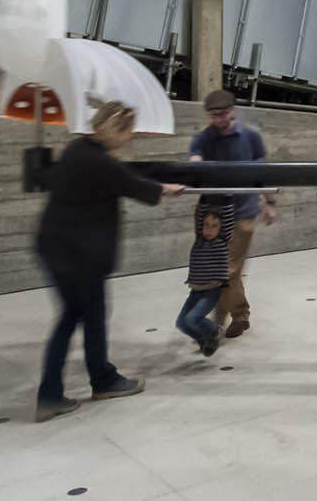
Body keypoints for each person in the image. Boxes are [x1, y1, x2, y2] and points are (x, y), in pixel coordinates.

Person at [34, 97, 185, 422]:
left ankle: (55, 393)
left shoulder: (79, 151)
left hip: (57, 249)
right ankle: (99, 381)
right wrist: (167, 189)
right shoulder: (98, 162)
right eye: (128, 131)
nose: (130, 138)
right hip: (78, 255)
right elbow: (133, 185)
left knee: (73, 317)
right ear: (115, 128)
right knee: (90, 317)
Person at [187, 90, 274, 338]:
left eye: (223, 114)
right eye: (214, 115)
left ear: (232, 111)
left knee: (227, 271)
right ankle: (241, 314)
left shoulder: (250, 138)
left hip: (243, 213)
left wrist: (270, 203)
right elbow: (195, 159)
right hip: (211, 216)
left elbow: (263, 172)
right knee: (221, 270)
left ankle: (216, 323)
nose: (219, 120)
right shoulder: (204, 138)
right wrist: (195, 164)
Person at [177, 198, 235, 357]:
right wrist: (203, 197)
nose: (209, 230)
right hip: (195, 291)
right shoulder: (199, 239)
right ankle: (204, 339)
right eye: (206, 225)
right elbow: (200, 215)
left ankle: (215, 331)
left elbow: (228, 218)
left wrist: (226, 197)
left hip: (212, 291)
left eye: (214, 226)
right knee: (181, 323)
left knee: (192, 319)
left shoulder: (223, 240)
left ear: (221, 228)